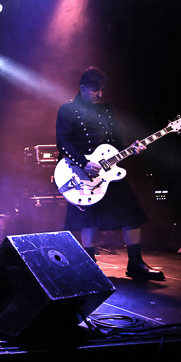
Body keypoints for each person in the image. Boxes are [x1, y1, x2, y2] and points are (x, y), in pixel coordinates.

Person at [56, 66, 164, 280]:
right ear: (82, 88)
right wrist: (83, 163)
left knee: (132, 216)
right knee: (89, 220)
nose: (99, 94)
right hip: (82, 172)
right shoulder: (67, 110)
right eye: (95, 90)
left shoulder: (106, 110)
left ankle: (136, 264)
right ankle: (89, 265)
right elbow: (63, 142)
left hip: (108, 172)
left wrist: (132, 149)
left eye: (102, 90)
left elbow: (116, 143)